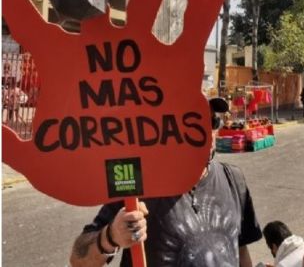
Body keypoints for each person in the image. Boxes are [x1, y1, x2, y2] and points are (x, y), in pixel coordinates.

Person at [69, 98, 263, 267]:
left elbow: (240, 251)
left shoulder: (233, 179)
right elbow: (78, 261)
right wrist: (111, 236)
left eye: (212, 121)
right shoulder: (140, 184)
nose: (204, 130)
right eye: (192, 122)